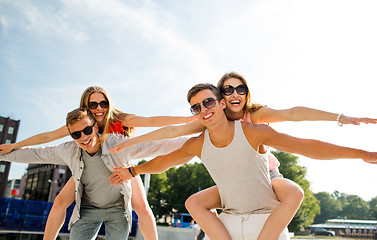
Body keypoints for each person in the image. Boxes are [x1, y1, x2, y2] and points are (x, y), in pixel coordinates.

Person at [108, 72, 377, 239]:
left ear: (240, 96)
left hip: (266, 176)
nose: (234, 94)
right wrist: (132, 164)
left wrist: (346, 128)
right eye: (227, 89)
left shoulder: (256, 121)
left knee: (294, 192)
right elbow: (169, 143)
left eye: (240, 89)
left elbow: (298, 126)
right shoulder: (201, 130)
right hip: (229, 184)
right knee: (194, 202)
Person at [0, 86, 194, 240]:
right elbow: (48, 137)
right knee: (59, 201)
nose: (99, 108)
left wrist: (188, 121)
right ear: (86, 107)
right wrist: (15, 145)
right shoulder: (80, 123)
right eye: (93, 105)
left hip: (120, 163)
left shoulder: (118, 118)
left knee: (142, 207)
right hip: (89, 168)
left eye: (103, 103)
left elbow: (152, 122)